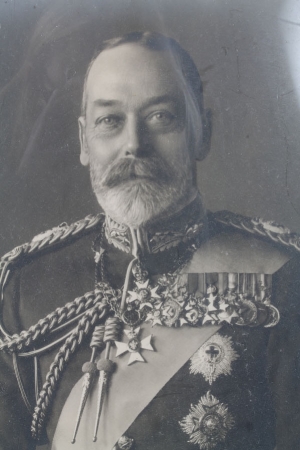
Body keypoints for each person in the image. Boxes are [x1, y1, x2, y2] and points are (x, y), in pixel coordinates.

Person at [0, 31, 299, 450]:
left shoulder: (282, 279)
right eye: (110, 120)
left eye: (161, 116)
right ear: (85, 141)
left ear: (203, 132)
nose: (134, 144)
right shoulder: (23, 288)